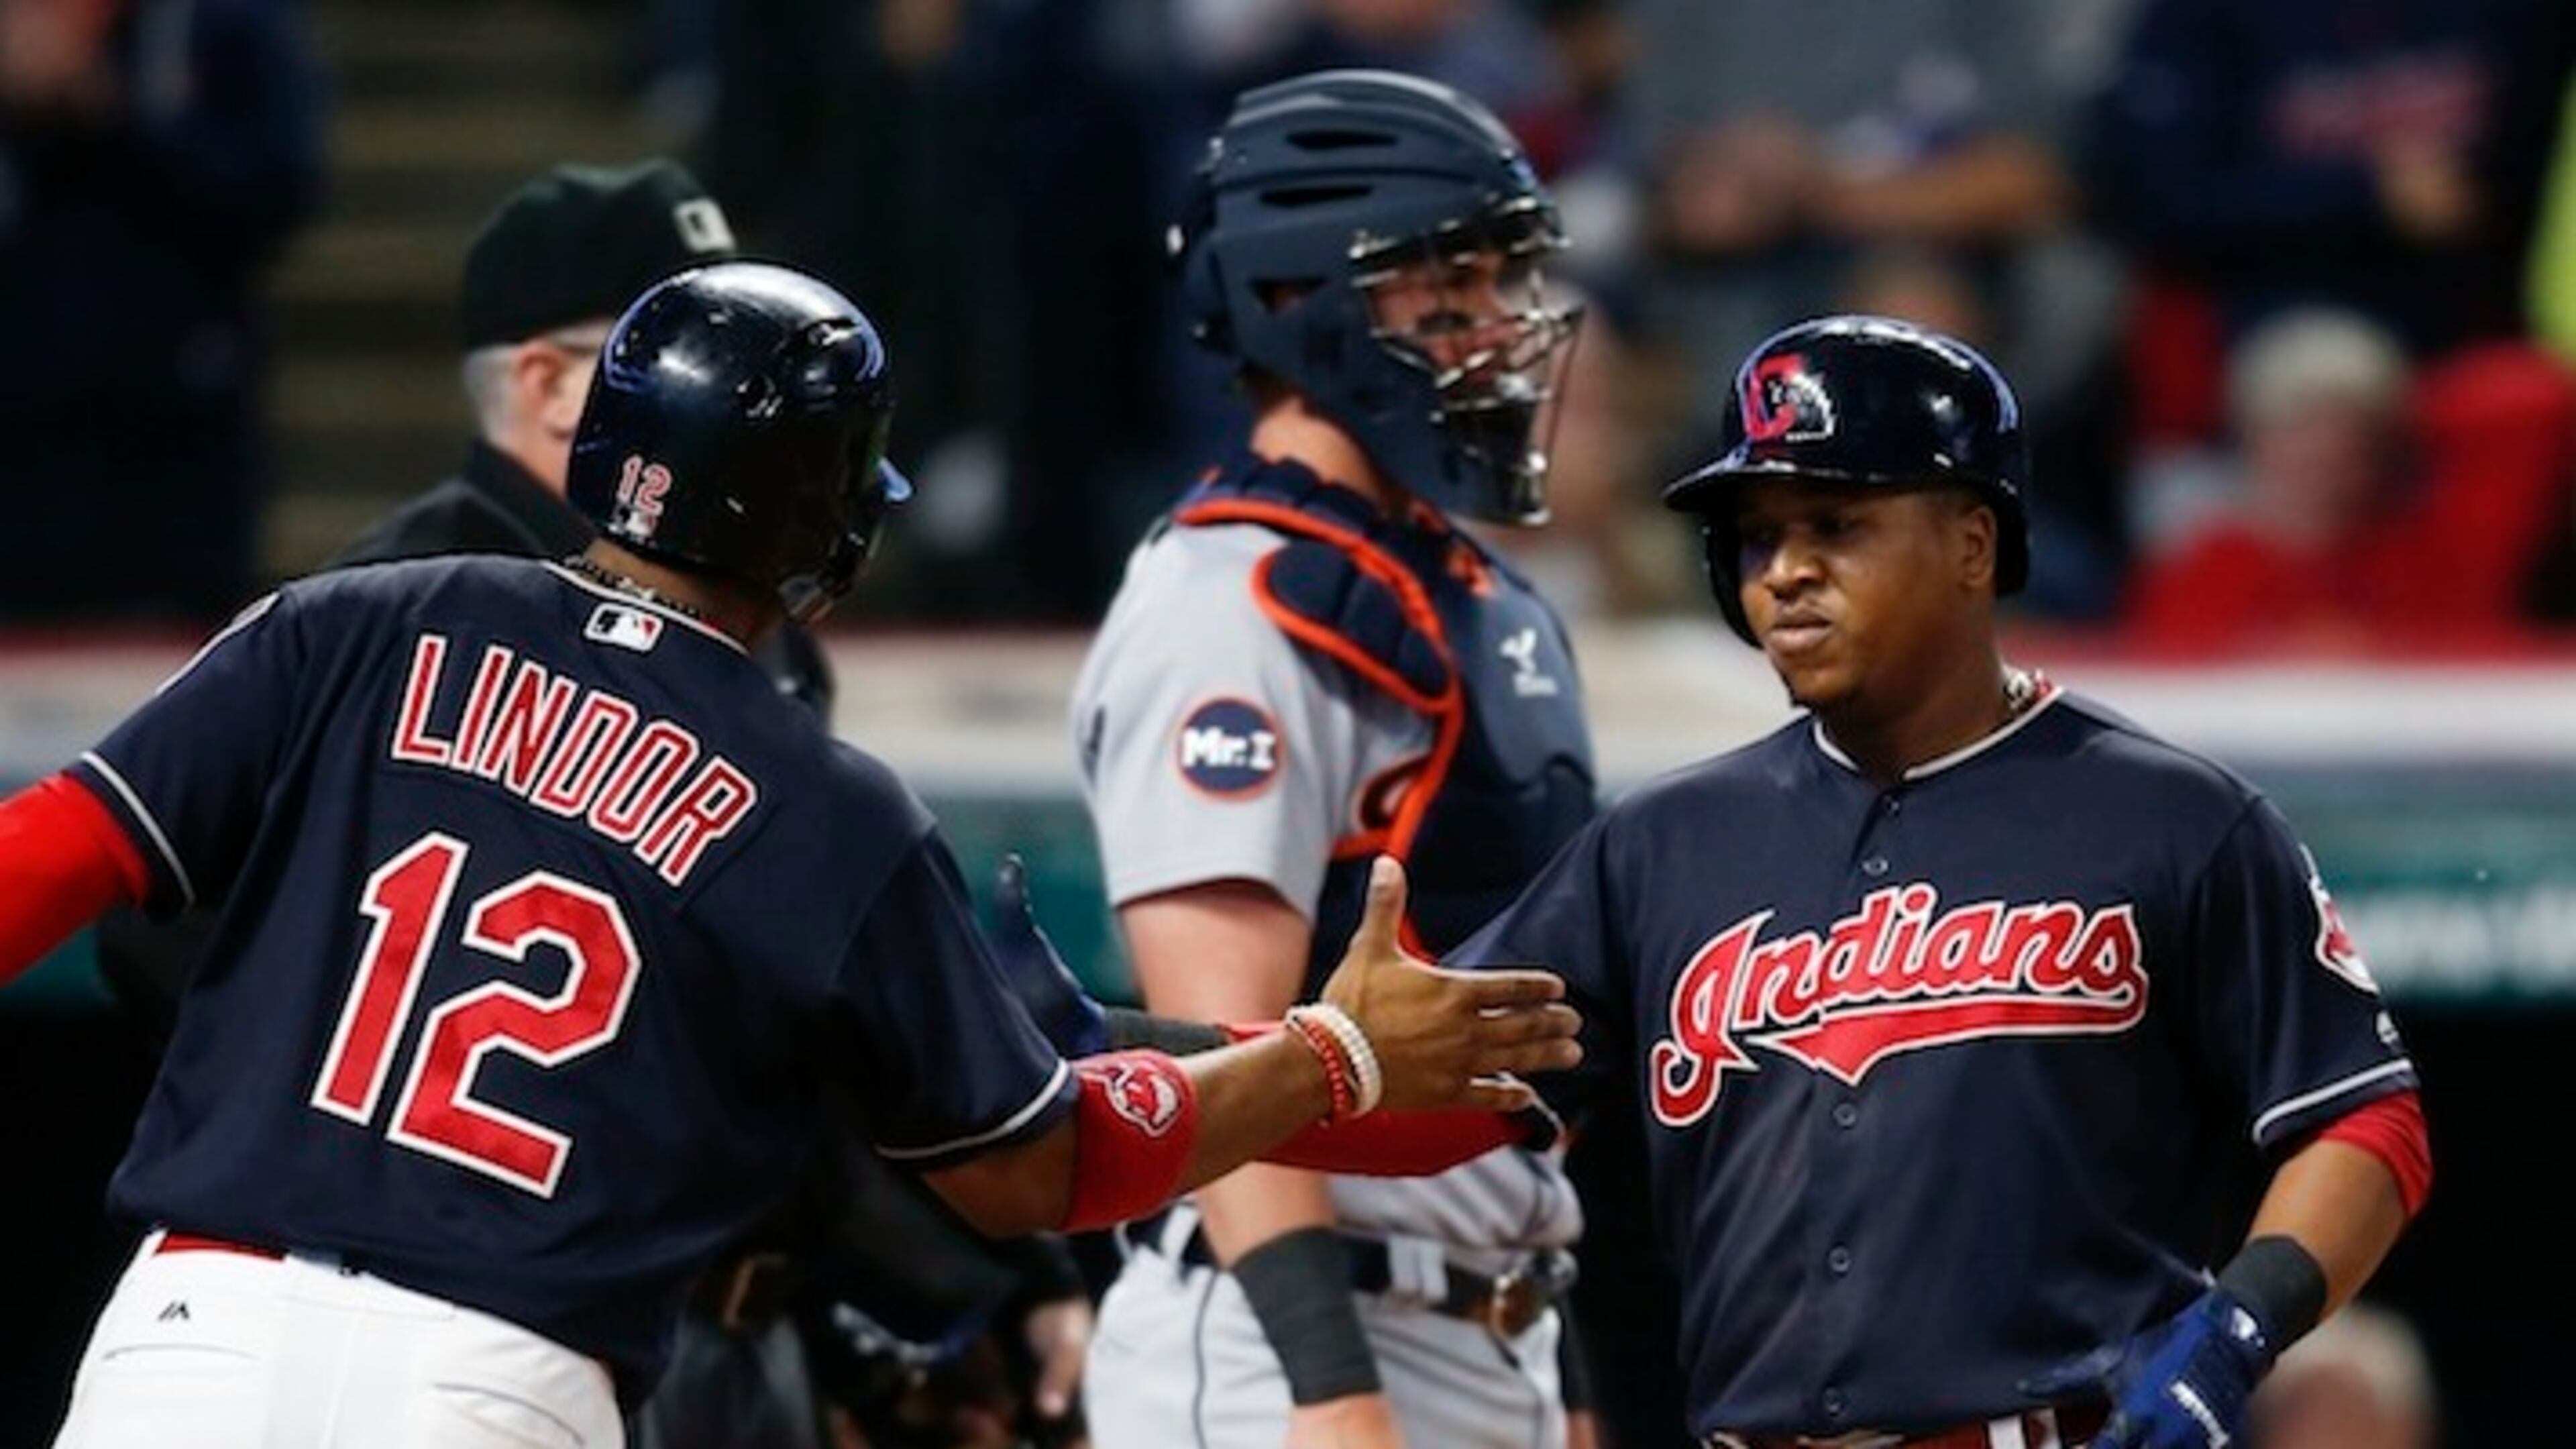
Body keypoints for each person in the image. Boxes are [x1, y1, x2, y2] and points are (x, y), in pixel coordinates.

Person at [0, 259, 1585, 1448]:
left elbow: (42, 865)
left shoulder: (354, 625)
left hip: (185, 1342)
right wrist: (1331, 1063)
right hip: (494, 1383)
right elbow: (1043, 1162)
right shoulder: (824, 804)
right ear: (831, 528)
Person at [1436, 314, 2434, 1447]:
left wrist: (2234, 1332)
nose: (1786, 572)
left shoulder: (2172, 817)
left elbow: (2368, 1118)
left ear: (1971, 544)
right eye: (1757, 537)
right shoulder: (1660, 840)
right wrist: (1274, 1064)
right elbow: (1438, 1096)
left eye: (1835, 523)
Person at [1073, 70, 1615, 1449]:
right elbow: (1216, 1063)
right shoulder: (1234, 600)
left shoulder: (1461, 590)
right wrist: (1331, 1390)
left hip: (1494, 1323)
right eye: (1451, 281)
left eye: (1507, 279)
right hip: (1292, 1345)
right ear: (1307, 296)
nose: (1501, 324)